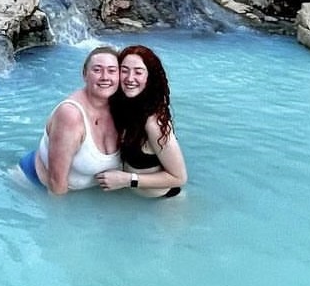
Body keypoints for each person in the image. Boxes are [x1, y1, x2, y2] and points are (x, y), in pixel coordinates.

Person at [18, 46, 122, 194]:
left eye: (112, 70)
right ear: (85, 75)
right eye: (97, 70)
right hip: (32, 185)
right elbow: (56, 183)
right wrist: (60, 216)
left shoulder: (123, 108)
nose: (105, 77)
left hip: (83, 191)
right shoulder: (70, 115)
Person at [97, 44, 188, 198]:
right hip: (133, 199)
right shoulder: (123, 106)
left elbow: (179, 177)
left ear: (149, 77)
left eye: (138, 72)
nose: (129, 78)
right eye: (124, 70)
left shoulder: (154, 123)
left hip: (164, 203)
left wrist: (127, 180)